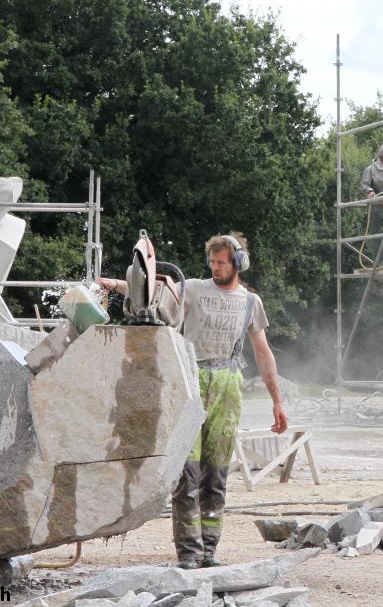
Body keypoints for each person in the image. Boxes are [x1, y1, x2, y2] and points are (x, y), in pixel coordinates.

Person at [97, 232, 288, 570]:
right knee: (187, 473)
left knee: (216, 475)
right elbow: (153, 289)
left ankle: (209, 551)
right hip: (191, 380)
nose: (215, 267)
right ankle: (188, 552)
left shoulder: (250, 303)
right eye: (212, 262)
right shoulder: (196, 289)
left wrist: (277, 401)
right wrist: (112, 284)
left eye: (221, 262)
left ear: (238, 263)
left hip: (228, 387)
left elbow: (263, 353)